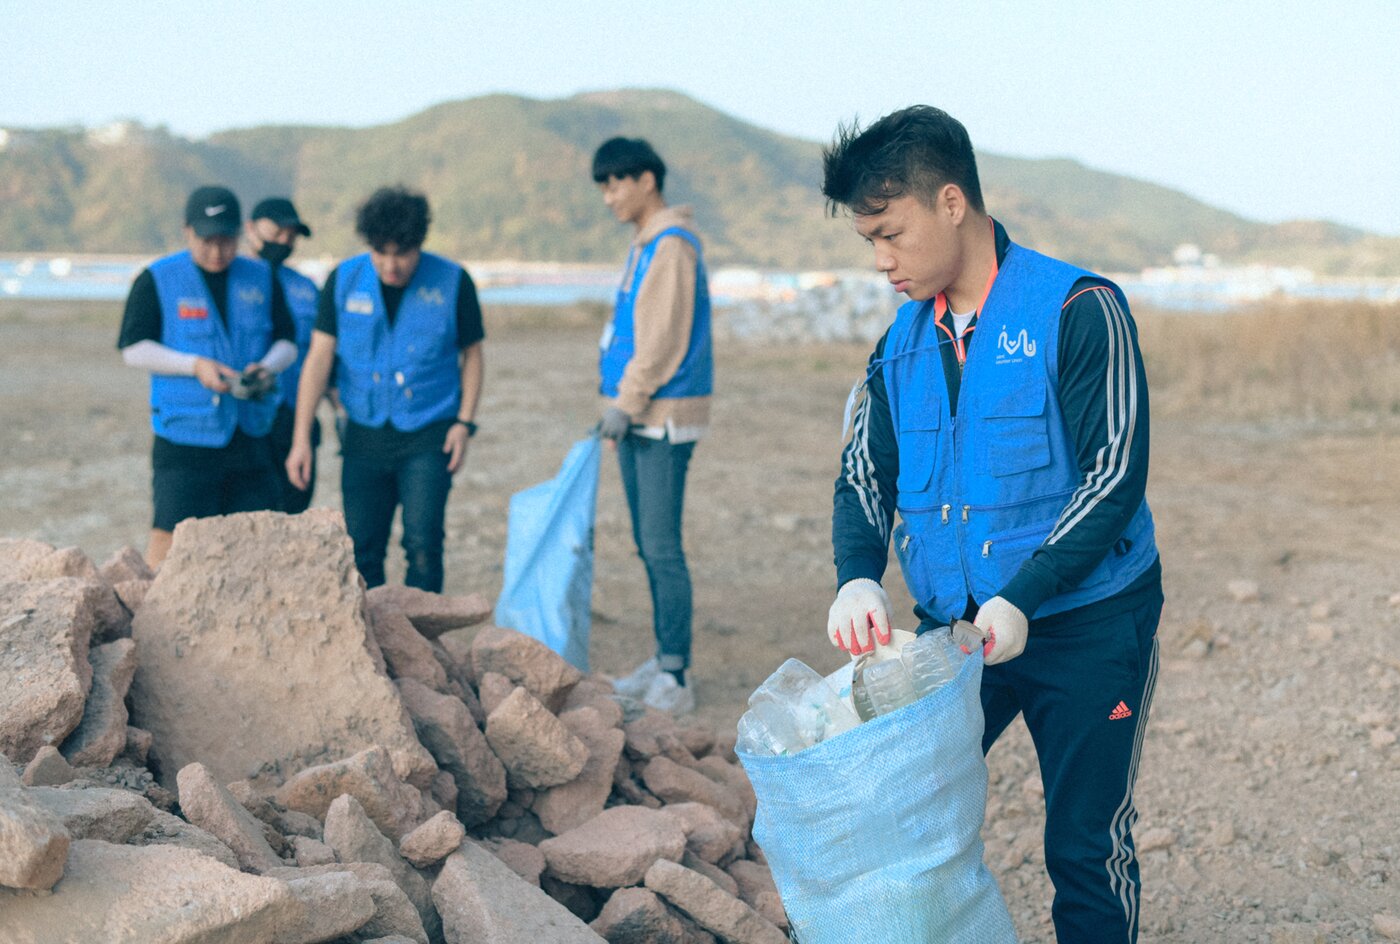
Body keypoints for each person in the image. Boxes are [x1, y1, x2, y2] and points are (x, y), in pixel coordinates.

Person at [823, 106, 1163, 943]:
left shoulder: (1079, 308)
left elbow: (1115, 474)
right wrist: (858, 573)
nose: (881, 261)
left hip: (1087, 623)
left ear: (950, 203)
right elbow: (865, 473)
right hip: (958, 633)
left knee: (1085, 845)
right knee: (902, 814)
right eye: (868, 241)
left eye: (891, 234)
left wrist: (1028, 592)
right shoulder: (897, 347)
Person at [286, 186, 484, 593]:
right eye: (381, 252)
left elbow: (473, 355)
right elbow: (319, 358)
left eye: (402, 253)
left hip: (429, 432)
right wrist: (301, 438)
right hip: (362, 432)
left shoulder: (453, 281)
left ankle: (422, 645)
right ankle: (371, 644)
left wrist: (464, 422)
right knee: (362, 548)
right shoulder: (343, 279)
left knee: (424, 542)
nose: (391, 264)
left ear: (419, 245)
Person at [590, 137, 714, 715]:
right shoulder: (645, 245)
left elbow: (661, 342)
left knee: (662, 547)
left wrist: (626, 401)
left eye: (616, 183)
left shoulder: (671, 246)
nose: (610, 197)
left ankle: (676, 677)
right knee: (647, 543)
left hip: (660, 419)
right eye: (604, 187)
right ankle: (663, 659)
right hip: (638, 418)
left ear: (646, 180)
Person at [117, 185, 297, 569]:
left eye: (227, 241)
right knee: (170, 538)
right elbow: (133, 349)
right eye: (207, 241)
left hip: (250, 432)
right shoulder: (158, 278)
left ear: (240, 234)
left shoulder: (262, 276)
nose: (217, 252)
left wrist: (267, 366)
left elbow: (288, 341)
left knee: (257, 539)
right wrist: (194, 365)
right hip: (184, 436)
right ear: (187, 231)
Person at [244, 197, 320, 513]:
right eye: (277, 232)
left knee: (294, 510)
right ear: (251, 229)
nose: (284, 241)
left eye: (291, 235)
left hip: (297, 413)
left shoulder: (305, 288)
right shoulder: (235, 281)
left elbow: (324, 351)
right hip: (248, 413)